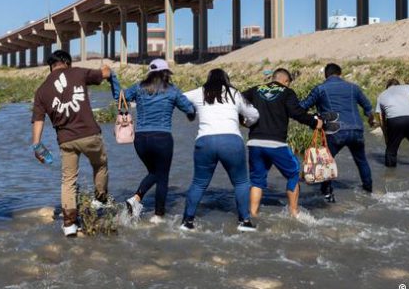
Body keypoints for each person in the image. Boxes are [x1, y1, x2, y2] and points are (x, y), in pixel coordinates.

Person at [31, 50, 114, 237]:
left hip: (66, 141)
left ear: (50, 67)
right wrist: (108, 70)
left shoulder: (42, 90)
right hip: (90, 134)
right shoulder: (78, 72)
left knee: (68, 180)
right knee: (100, 165)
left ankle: (69, 224)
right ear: (67, 63)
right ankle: (100, 199)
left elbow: (38, 119)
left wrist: (36, 145)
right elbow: (104, 74)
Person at [111, 59, 195, 223]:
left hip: (140, 140)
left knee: (154, 173)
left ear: (149, 73)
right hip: (162, 139)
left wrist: (112, 77)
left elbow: (118, 96)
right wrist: (193, 112)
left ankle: (136, 200)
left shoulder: (138, 88)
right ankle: (157, 215)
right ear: (166, 73)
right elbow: (189, 110)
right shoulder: (173, 91)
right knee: (161, 176)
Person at [180, 69, 259, 232]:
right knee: (241, 182)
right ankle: (244, 221)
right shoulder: (234, 93)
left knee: (199, 183)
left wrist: (191, 112)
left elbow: (178, 99)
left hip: (205, 141)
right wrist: (247, 123)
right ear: (226, 79)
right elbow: (254, 114)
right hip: (231, 141)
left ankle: (187, 222)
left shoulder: (199, 92)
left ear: (208, 79)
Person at [243, 68, 322, 218]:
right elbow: (296, 112)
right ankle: (294, 213)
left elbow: (238, 100)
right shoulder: (287, 92)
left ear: (273, 78)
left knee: (256, 181)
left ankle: (253, 214)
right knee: (293, 173)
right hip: (276, 143)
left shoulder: (255, 89)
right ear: (286, 81)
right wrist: (313, 122)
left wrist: (242, 120)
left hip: (254, 143)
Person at [300, 63, 375, 201]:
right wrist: (371, 121)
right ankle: (369, 191)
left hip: (335, 131)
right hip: (356, 130)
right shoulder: (353, 88)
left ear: (326, 75)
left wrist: (313, 118)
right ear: (340, 74)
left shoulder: (320, 89)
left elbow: (302, 107)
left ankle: (327, 194)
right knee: (361, 161)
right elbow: (368, 108)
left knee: (326, 162)